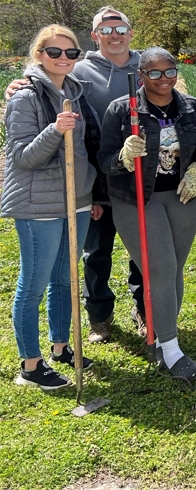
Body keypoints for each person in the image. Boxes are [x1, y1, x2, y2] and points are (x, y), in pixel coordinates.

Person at [5, 7, 145, 344]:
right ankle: (99, 316)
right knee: (96, 251)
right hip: (91, 177)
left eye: (120, 27)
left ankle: (143, 311)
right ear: (95, 36)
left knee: (142, 248)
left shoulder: (146, 67)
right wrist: (18, 84)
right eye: (106, 29)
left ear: (130, 32)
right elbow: (44, 80)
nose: (115, 34)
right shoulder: (79, 72)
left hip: (136, 174)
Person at [98, 48, 196, 382]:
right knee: (159, 268)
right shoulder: (122, 111)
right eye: (154, 73)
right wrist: (122, 156)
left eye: (170, 71)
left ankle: (164, 337)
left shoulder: (192, 108)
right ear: (141, 74)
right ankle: (171, 349)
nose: (164, 79)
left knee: (174, 268)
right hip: (136, 199)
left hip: (182, 196)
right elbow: (104, 160)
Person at [2, 25, 100, 390]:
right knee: (34, 285)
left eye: (71, 53)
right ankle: (30, 365)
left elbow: (83, 149)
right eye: (55, 53)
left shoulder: (74, 91)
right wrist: (55, 130)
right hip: (37, 204)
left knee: (65, 279)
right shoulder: (24, 97)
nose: (63, 59)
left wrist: (89, 192)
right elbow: (22, 157)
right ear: (39, 54)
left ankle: (61, 347)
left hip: (75, 200)